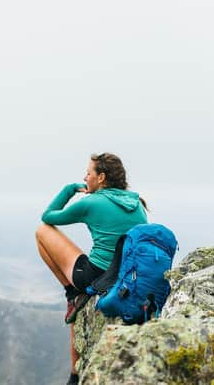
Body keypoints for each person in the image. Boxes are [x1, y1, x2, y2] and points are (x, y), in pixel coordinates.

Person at [35, 153, 148, 385]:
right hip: (126, 276)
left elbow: (48, 217)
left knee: (41, 233)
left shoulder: (91, 202)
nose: (85, 177)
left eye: (88, 173)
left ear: (102, 177)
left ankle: (71, 293)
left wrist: (69, 189)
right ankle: (75, 375)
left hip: (96, 276)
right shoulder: (137, 203)